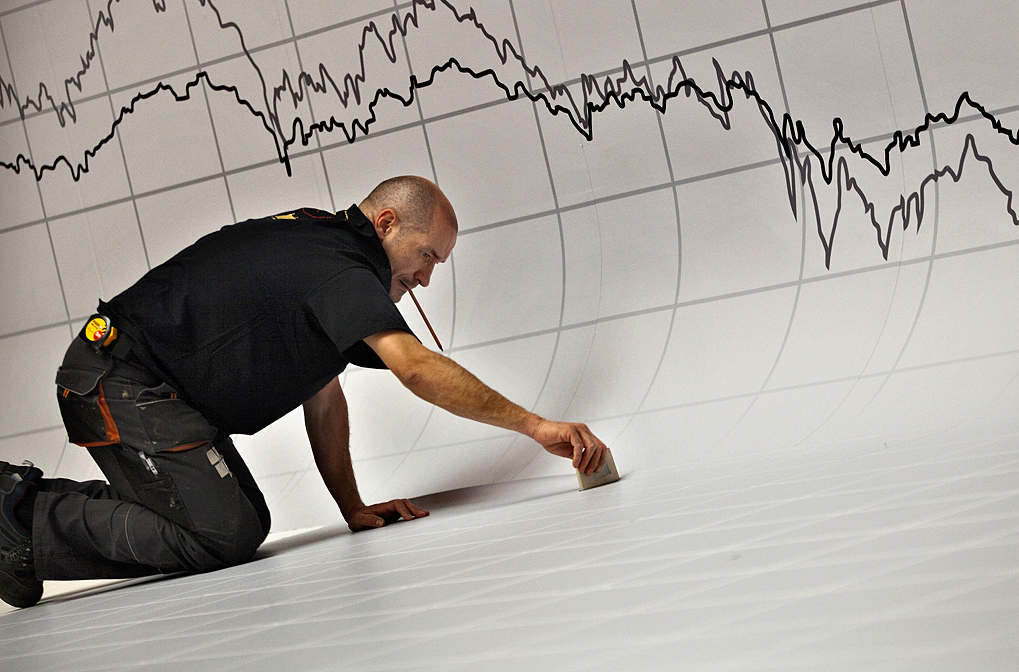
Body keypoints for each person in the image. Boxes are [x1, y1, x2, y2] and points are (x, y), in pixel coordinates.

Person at [0, 176, 607, 609]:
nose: (425, 276)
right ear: (387, 223)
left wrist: (353, 507)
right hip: (118, 380)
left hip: (151, 391)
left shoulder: (324, 248)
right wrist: (536, 426)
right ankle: (16, 517)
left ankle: (19, 511)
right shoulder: (340, 267)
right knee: (225, 534)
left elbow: (323, 395)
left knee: (243, 519)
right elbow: (415, 368)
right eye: (426, 256)